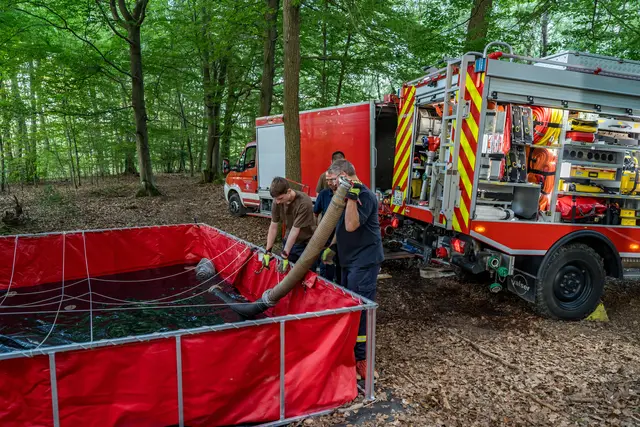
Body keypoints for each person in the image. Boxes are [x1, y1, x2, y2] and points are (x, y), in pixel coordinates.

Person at [323, 159, 383, 380]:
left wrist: (351, 196)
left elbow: (351, 225)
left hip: (364, 261)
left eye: (333, 180)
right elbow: (340, 227)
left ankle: (363, 360)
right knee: (349, 307)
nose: (330, 184)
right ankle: (349, 355)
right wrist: (332, 247)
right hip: (347, 261)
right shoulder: (344, 194)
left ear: (344, 177)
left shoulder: (364, 196)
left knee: (361, 310)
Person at [262, 177, 316, 273]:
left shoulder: (304, 202)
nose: (277, 202)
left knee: (306, 274)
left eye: (280, 198)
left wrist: (284, 255)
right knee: (287, 273)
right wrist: (268, 251)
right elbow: (273, 226)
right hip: (289, 241)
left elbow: (295, 230)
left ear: (289, 191)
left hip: (307, 243)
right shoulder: (277, 200)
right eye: (275, 199)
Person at [313, 172, 341, 283]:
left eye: (331, 179)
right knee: (326, 270)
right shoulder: (324, 194)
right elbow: (315, 213)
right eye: (327, 180)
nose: (329, 183)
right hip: (326, 241)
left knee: (341, 272)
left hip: (342, 241)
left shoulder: (348, 197)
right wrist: (317, 232)